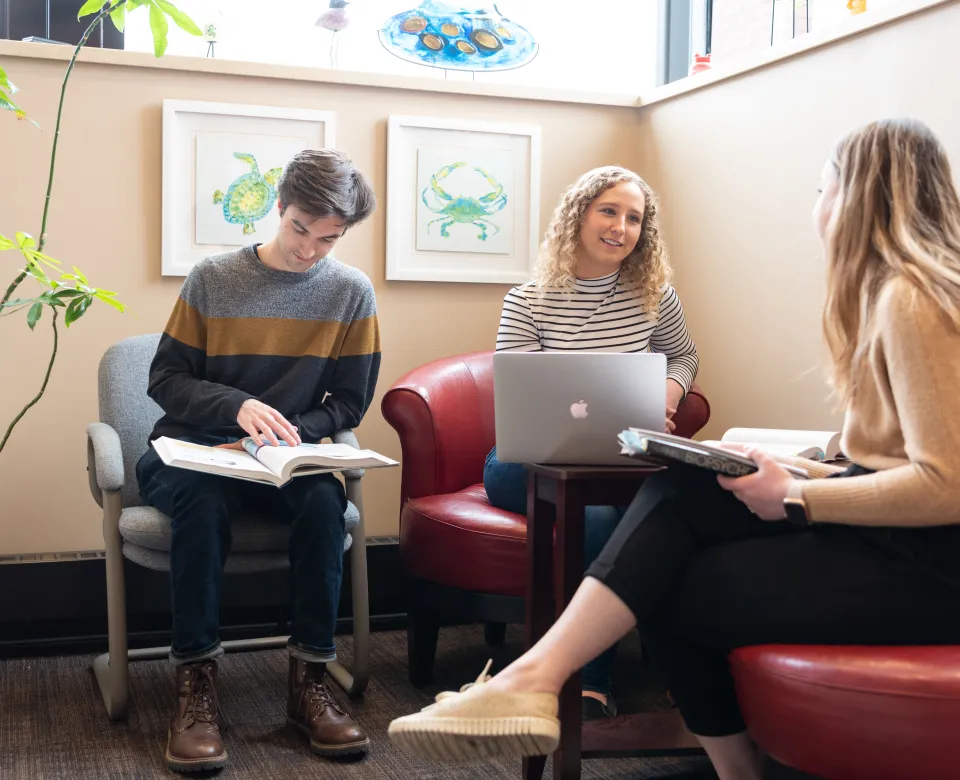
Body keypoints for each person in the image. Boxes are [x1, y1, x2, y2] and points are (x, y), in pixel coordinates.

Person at [387, 117, 960, 780]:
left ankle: (553, 684)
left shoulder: (911, 299)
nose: (817, 206)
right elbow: (899, 452)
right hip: (894, 539)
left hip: (929, 561)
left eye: (821, 188)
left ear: (857, 196)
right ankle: (542, 680)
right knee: (683, 487)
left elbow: (946, 483)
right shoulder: (893, 295)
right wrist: (801, 464)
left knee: (662, 578)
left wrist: (798, 495)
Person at [136, 149, 380, 773]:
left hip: (280, 459)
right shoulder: (213, 278)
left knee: (327, 500)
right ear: (280, 206)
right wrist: (237, 407)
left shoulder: (351, 293)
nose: (308, 250)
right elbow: (164, 379)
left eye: (328, 239)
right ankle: (196, 683)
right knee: (202, 499)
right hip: (193, 451)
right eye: (300, 228)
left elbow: (350, 401)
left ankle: (310, 681)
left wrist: (291, 432)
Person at [483, 165, 699, 719]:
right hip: (527, 457)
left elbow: (684, 357)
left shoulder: (656, 296)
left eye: (634, 218)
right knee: (598, 517)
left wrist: (666, 400)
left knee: (689, 508)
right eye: (609, 211)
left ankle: (689, 668)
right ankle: (589, 680)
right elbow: (519, 390)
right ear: (578, 215)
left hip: (624, 455)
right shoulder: (527, 298)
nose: (620, 227)